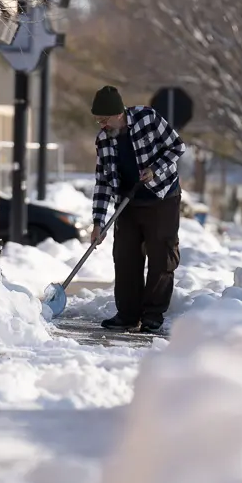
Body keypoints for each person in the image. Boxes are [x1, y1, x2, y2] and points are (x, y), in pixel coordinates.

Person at [88, 85, 186, 333]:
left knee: (161, 256)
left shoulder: (148, 118)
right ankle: (128, 314)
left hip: (162, 197)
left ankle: (153, 314)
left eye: (104, 119)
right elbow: (102, 183)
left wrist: (154, 169)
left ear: (119, 113)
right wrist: (98, 224)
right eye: (98, 120)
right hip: (128, 203)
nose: (101, 124)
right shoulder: (103, 141)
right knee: (125, 258)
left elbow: (177, 147)